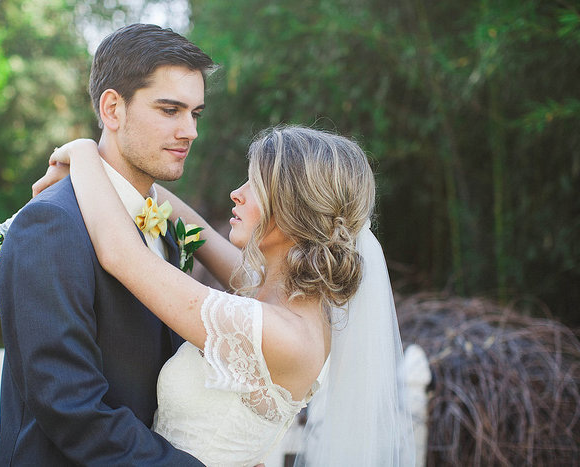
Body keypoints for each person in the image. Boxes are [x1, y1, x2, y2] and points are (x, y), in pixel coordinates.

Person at [35, 125, 416, 466]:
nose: (237, 193)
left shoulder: (278, 333)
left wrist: (83, 151)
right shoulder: (285, 300)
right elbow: (193, 229)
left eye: (255, 185)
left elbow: (122, 256)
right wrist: (124, 175)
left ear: (292, 208)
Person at [0, 24, 213, 465]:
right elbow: (71, 407)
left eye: (196, 114)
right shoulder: (52, 223)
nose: (189, 130)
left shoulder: (166, 227)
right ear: (112, 108)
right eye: (170, 110)